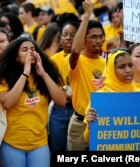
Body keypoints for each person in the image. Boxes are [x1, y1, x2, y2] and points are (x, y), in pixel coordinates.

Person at [0, 36, 66, 167]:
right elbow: (7, 103)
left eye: (32, 49)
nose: (30, 52)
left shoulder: (44, 76)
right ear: (16, 57)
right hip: (11, 144)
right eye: (24, 49)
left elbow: (62, 102)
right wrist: (25, 74)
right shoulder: (4, 76)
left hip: (39, 143)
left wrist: (43, 74)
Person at [84, 49, 140, 145]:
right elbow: (87, 140)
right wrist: (90, 125)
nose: (128, 70)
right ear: (111, 70)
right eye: (121, 67)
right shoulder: (101, 98)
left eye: (130, 65)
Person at [67, 0, 106, 151]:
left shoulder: (106, 63)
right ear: (84, 39)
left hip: (103, 123)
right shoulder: (77, 61)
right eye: (93, 37)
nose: (98, 40)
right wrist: (86, 16)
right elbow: (75, 51)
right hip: (80, 124)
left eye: (101, 36)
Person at [48, 13, 80, 152]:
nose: (68, 38)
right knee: (58, 150)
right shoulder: (53, 60)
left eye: (73, 35)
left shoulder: (84, 59)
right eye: (65, 34)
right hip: (59, 110)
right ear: (60, 39)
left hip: (79, 109)